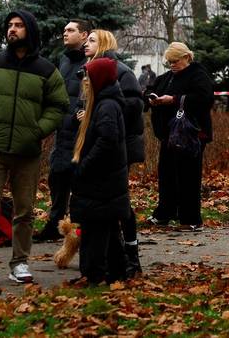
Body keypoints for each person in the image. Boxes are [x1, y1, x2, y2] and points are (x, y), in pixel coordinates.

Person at [0, 10, 69, 286]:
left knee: (25, 211)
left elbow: (58, 106)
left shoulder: (46, 70)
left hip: (27, 151)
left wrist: (37, 130)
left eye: (19, 26)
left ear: (29, 31)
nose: (12, 30)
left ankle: (19, 262)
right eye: (9, 25)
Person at [83, 29, 145, 275]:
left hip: (120, 147)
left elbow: (133, 106)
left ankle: (131, 254)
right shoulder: (89, 69)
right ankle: (111, 255)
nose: (86, 44)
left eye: (92, 40)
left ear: (105, 44)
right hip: (100, 143)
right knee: (105, 202)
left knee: (120, 203)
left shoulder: (121, 71)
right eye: (86, 40)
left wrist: (102, 118)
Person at [69, 57, 130, 285]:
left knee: (97, 229)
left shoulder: (107, 106)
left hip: (101, 181)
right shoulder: (103, 103)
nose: (84, 81)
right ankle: (115, 273)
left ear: (99, 79)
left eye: (88, 76)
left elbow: (107, 140)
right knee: (108, 228)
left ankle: (95, 274)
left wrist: (84, 166)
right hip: (105, 181)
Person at [146, 42, 214, 232]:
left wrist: (174, 100)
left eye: (175, 61)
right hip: (169, 136)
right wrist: (151, 98)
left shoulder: (198, 75)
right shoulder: (166, 78)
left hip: (192, 135)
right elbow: (150, 88)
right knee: (167, 175)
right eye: (169, 62)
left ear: (187, 58)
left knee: (188, 177)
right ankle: (164, 214)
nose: (172, 65)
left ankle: (191, 218)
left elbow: (205, 99)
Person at [34, 19, 92, 243]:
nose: (64, 33)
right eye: (64, 30)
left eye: (70, 30)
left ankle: (79, 229)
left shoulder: (92, 62)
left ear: (84, 35)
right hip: (63, 131)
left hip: (81, 133)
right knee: (57, 179)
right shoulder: (64, 60)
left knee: (79, 183)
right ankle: (55, 223)